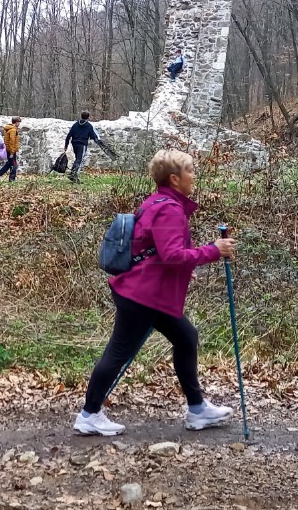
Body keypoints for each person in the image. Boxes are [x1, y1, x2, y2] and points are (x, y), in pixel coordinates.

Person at [73, 150, 236, 436]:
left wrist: (187, 268)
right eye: (190, 171)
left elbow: (156, 252)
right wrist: (214, 250)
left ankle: (197, 409)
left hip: (145, 291)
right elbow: (172, 255)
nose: (194, 176)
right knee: (119, 351)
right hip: (142, 295)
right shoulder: (169, 208)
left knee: (186, 336)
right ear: (175, 179)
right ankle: (89, 414)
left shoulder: (156, 202)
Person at [64, 111, 117, 183]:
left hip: (74, 144)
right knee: (79, 160)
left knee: (77, 159)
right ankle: (74, 175)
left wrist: (66, 145)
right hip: (82, 144)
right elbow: (93, 136)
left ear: (81, 116)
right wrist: (100, 143)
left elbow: (69, 135)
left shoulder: (75, 124)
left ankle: (73, 174)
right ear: (88, 117)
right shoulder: (88, 126)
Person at [0, 116, 21, 182]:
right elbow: (12, 141)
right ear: (16, 122)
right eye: (19, 122)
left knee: (9, 163)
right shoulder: (13, 130)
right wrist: (12, 152)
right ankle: (11, 179)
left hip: (8, 149)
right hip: (11, 150)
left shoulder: (9, 128)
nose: (19, 124)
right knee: (14, 165)